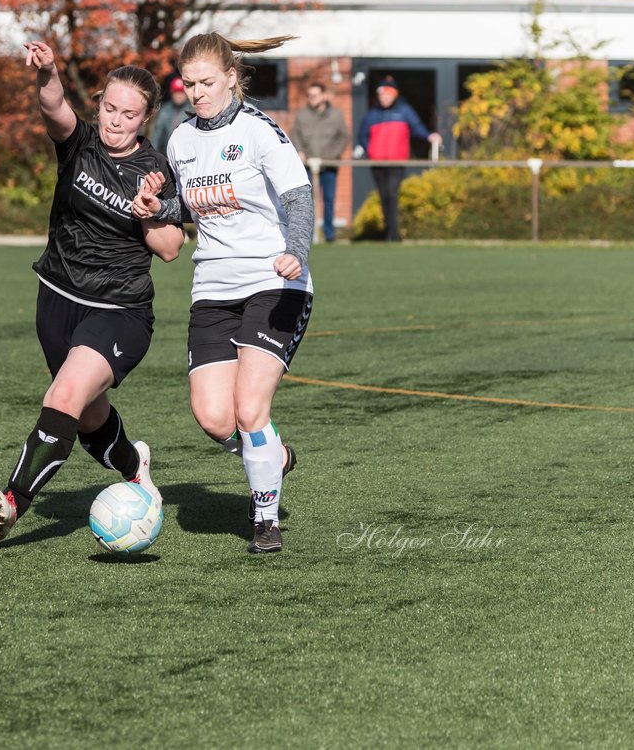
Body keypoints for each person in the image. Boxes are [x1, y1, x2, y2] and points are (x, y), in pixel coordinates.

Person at [0, 40, 184, 542]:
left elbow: (171, 247)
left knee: (64, 394)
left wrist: (148, 212)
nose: (116, 120)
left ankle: (12, 500)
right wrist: (47, 71)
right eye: (110, 108)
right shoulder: (80, 142)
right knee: (87, 417)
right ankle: (136, 467)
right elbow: (52, 105)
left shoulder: (154, 171)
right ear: (99, 105)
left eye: (129, 114)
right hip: (56, 299)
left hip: (119, 309)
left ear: (146, 119)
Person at [132, 32, 313, 554]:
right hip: (212, 287)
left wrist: (297, 251)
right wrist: (155, 209)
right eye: (188, 84)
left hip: (274, 282)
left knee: (250, 408)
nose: (196, 93)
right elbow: (189, 206)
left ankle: (265, 519)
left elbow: (298, 196)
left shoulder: (261, 132)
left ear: (232, 77)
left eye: (207, 82)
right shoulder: (183, 140)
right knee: (215, 418)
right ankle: (271, 456)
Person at [354, 75, 441, 242]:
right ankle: (388, 231)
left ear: (394, 95)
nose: (385, 98)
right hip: (377, 162)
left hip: (397, 161)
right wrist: (369, 150)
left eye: (388, 95)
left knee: (392, 194)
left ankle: (394, 233)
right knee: (383, 195)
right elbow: (363, 135)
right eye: (382, 96)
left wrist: (430, 136)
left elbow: (417, 128)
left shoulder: (404, 111)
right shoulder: (372, 114)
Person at [290, 81, 348, 243]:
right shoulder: (302, 115)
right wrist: (300, 152)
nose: (312, 98)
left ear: (324, 96)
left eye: (315, 95)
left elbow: (343, 137)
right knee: (307, 201)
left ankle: (329, 235)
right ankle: (308, 235)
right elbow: (295, 135)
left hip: (329, 165)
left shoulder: (336, 114)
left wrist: (331, 156)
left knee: (328, 200)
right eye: (309, 96)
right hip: (307, 165)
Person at [149, 75, 188, 153]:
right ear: (171, 93)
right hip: (166, 154)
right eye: (176, 92)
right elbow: (157, 133)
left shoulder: (192, 111)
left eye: (181, 92)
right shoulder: (165, 110)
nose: (179, 95)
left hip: (187, 153)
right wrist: (152, 154)